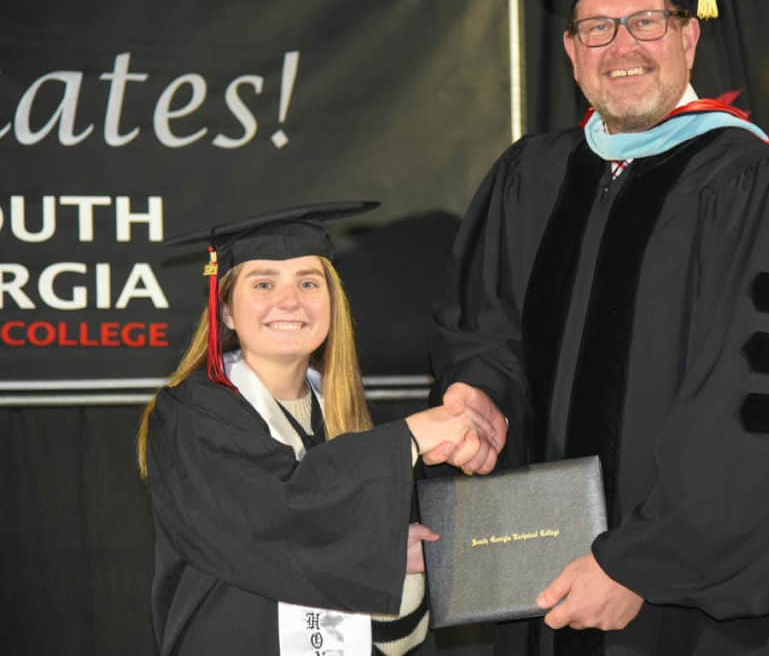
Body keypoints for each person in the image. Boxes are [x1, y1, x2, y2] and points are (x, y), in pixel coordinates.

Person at [430, 0, 769, 656]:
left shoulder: (758, 189)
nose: (622, 47)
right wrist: (477, 393)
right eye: (597, 28)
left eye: (646, 22)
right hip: (550, 587)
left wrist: (639, 561)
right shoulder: (530, 180)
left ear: (689, 38)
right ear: (572, 51)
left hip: (704, 613)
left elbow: (767, 409)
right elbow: (486, 327)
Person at [137, 201, 506, 656]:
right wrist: (407, 439)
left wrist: (399, 561)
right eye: (263, 283)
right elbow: (273, 515)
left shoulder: (338, 418)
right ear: (227, 311)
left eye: (309, 282)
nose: (289, 300)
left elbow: (383, 622)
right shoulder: (193, 413)